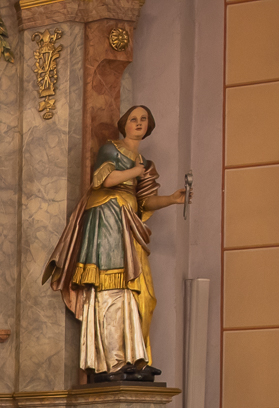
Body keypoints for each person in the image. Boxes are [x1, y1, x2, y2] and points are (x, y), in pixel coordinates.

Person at [43, 104, 188, 382]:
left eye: (144, 119)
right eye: (133, 119)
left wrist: (171, 199)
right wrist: (135, 171)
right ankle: (111, 362)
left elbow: (145, 201)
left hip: (127, 223)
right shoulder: (111, 150)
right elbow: (104, 180)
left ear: (149, 125)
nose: (139, 122)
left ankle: (133, 357)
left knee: (136, 292)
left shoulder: (144, 163)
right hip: (106, 217)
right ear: (124, 124)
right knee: (110, 286)